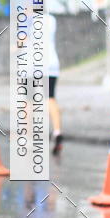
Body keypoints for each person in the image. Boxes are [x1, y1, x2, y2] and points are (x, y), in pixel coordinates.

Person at [48, 13, 63, 156]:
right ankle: (57, 132)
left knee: (28, 101)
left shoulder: (28, 21)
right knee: (50, 98)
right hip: (52, 63)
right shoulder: (51, 19)